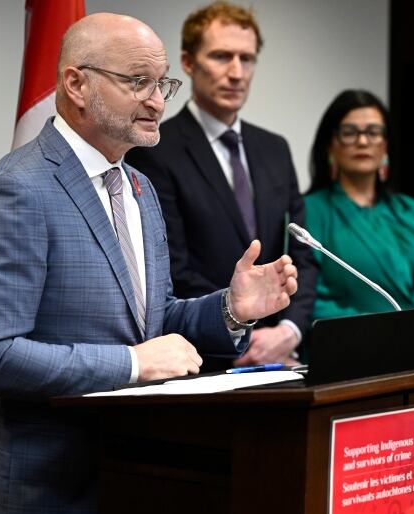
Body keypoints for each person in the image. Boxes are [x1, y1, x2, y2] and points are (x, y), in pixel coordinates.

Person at [0, 13, 298, 514]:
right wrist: (134, 365)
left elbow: (151, 321)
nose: (157, 101)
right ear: (76, 84)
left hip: (131, 477)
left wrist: (230, 310)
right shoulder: (16, 189)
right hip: (36, 492)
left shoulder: (138, 187)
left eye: (162, 84)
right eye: (138, 82)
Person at [125, 1, 316, 369]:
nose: (236, 72)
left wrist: (289, 330)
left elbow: (304, 256)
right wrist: (239, 324)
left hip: (279, 354)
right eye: (221, 56)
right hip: (207, 356)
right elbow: (171, 272)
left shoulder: (274, 148)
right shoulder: (156, 150)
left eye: (246, 59)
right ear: (188, 62)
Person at [304, 89, 414, 323]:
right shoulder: (309, 211)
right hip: (358, 350)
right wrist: (386, 331)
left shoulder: (413, 210)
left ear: (386, 145)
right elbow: (308, 300)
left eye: (374, 132)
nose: (362, 141)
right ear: (331, 145)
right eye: (349, 132)